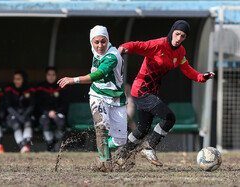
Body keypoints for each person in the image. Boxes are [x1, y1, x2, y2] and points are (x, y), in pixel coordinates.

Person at [114, 20, 215, 167]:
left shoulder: (180, 52)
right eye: (177, 34)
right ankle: (148, 147)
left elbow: (188, 70)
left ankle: (121, 154)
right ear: (172, 31)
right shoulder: (158, 44)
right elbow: (137, 45)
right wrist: (122, 49)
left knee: (143, 129)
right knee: (169, 118)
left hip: (152, 92)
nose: (179, 38)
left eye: (183, 36)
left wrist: (202, 76)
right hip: (141, 90)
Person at [58, 25, 127, 172]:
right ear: (92, 42)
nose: (100, 45)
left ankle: (104, 149)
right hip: (98, 95)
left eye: (103, 41)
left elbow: (98, 75)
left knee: (120, 140)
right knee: (101, 127)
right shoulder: (95, 50)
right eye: (96, 42)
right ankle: (105, 163)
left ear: (108, 41)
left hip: (116, 98)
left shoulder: (112, 56)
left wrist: (73, 80)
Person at [36, 67, 68, 152]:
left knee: (61, 121)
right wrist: (47, 112)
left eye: (53, 75)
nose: (51, 77)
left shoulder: (61, 86)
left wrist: (56, 112)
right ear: (46, 75)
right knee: (45, 121)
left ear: (56, 76)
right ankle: (50, 145)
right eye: (49, 74)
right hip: (45, 113)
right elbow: (38, 104)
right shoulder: (40, 87)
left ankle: (52, 144)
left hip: (58, 113)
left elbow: (65, 103)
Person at [5, 70, 35, 153]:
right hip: (14, 114)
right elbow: (8, 106)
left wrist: (24, 115)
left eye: (18, 79)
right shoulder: (9, 89)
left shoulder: (29, 89)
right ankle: (22, 145)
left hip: (26, 114)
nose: (16, 81)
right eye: (15, 79)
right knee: (16, 125)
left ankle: (25, 145)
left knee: (28, 123)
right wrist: (18, 116)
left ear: (23, 79)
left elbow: (32, 105)